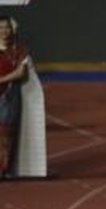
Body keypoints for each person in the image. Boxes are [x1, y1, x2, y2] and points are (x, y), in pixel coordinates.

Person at [0, 15, 42, 178]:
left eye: (7, 27)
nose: (4, 31)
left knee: (7, 135)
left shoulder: (19, 51)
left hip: (8, 97)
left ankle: (4, 169)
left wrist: (3, 79)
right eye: (1, 28)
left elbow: (21, 72)